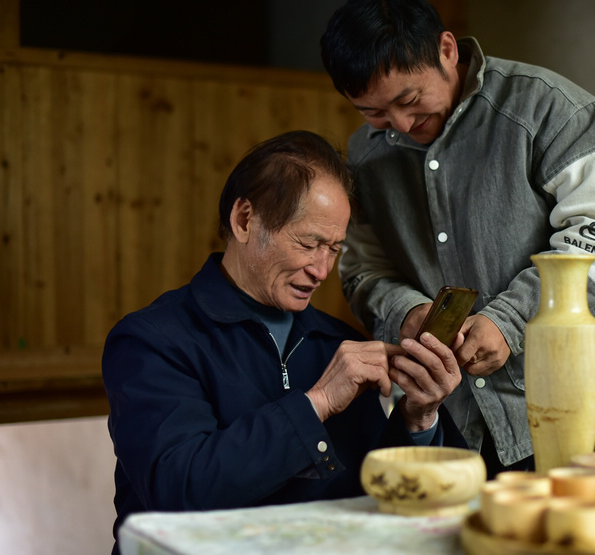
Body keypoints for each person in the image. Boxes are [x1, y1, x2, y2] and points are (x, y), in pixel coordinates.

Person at [320, 0, 595, 477]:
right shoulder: (366, 153)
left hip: (578, 402)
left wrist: (509, 322)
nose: (398, 124)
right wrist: (406, 313)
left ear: (447, 50)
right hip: (455, 420)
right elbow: (362, 266)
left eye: (409, 100)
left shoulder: (549, 109)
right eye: (372, 112)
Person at [102, 130, 467, 554]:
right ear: (244, 220)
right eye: (309, 244)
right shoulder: (151, 341)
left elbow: (381, 496)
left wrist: (419, 418)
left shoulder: (340, 342)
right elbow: (179, 491)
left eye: (334, 249)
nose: (322, 269)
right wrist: (318, 402)